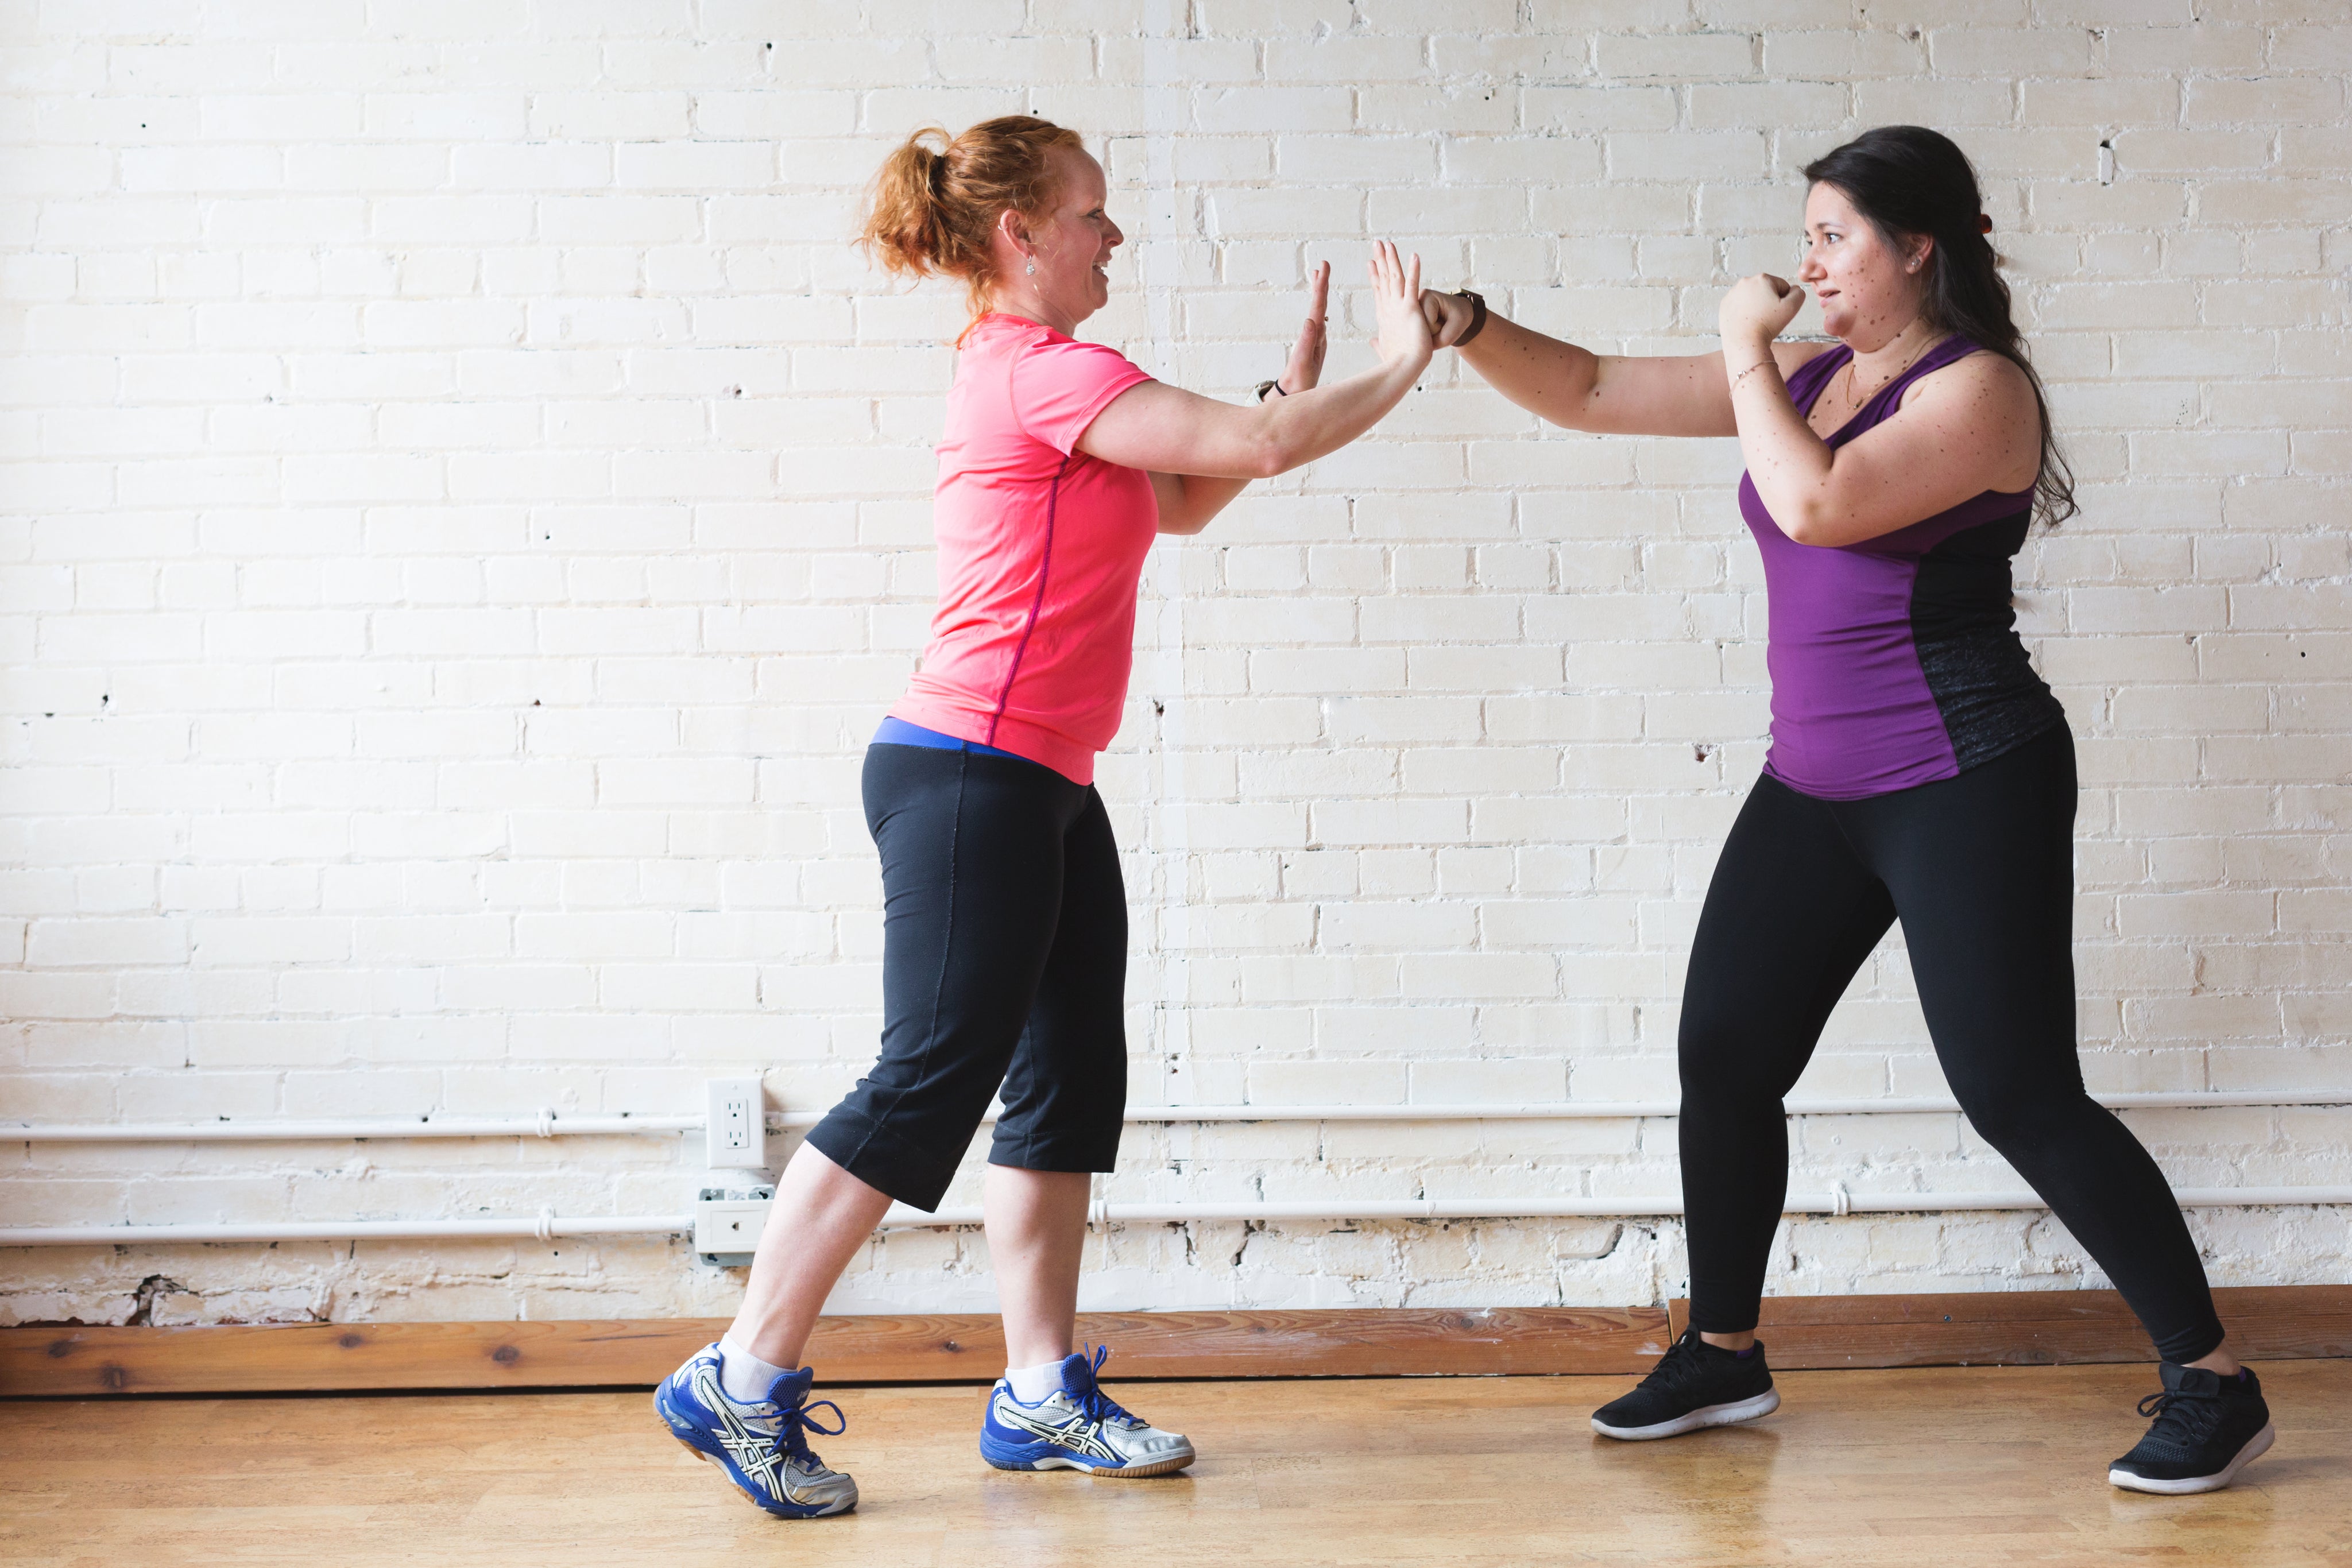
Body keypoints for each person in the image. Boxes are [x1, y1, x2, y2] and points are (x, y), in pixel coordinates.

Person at [1421, 125, 2274, 1496]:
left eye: (1833, 237)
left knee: (2014, 1091)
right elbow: (1584, 389)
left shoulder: (1981, 392)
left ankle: (2212, 1380)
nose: (1808, 261)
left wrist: (1740, 347)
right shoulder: (1812, 371)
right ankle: (1724, 1347)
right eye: (1806, 235)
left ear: (1913, 245)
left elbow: (1812, 503)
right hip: (1813, 781)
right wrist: (1467, 326)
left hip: (1961, 777)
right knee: (1725, 1047)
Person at [654, 114, 1437, 1518]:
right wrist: (1396, 362)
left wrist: (1296, 393)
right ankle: (741, 1374)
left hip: (1042, 780)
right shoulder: (1039, 369)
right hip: (968, 772)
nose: (1111, 236)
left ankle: (1036, 1392)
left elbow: (1195, 492)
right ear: (1021, 235)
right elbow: (1252, 450)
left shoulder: (1056, 385)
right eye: (1092, 213)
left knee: (1066, 1076)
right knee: (923, 1081)